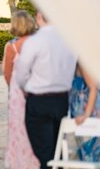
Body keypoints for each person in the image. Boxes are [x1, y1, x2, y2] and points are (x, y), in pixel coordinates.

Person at [15, 12, 77, 169]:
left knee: (45, 153)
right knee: (58, 149)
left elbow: (21, 74)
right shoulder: (70, 41)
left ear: (39, 17)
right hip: (62, 99)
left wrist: (25, 89)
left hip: (39, 100)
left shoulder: (34, 42)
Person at [3, 10, 40, 169]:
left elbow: (7, 74)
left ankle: (19, 161)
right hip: (36, 88)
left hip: (17, 91)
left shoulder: (12, 47)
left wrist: (14, 89)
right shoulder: (38, 43)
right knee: (35, 127)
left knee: (18, 127)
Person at [69, 63, 100, 161]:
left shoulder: (83, 60)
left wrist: (86, 114)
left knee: (89, 154)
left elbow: (93, 88)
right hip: (87, 111)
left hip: (86, 112)